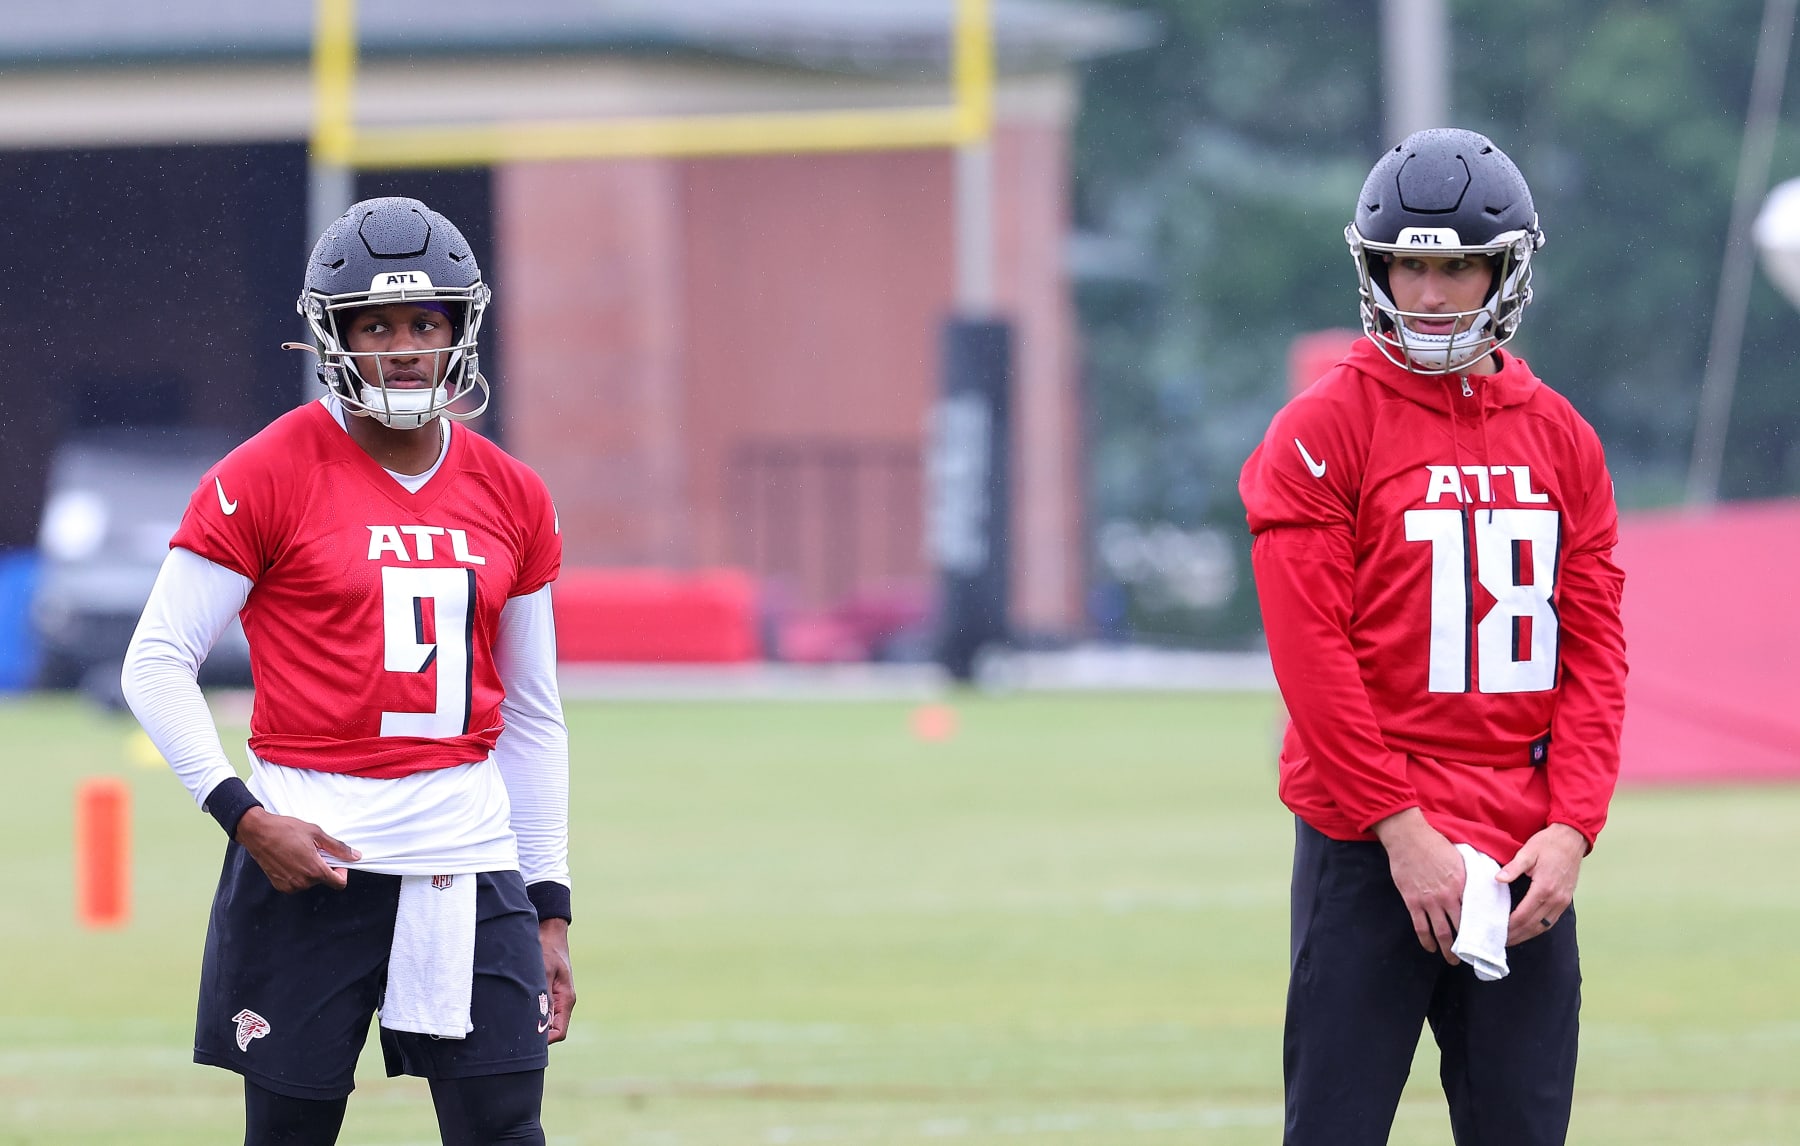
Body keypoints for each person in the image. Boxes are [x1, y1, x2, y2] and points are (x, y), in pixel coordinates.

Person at [122, 196, 573, 1146]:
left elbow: (533, 716)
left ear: (461, 330)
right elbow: (156, 663)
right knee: (290, 1135)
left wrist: (549, 904)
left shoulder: (514, 492)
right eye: (377, 326)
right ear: (335, 337)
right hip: (312, 850)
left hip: (467, 852)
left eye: (425, 323)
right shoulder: (267, 472)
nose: (405, 348)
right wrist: (246, 818)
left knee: (507, 1131)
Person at [1238, 129, 1627, 1145]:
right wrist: (1399, 831)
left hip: (1519, 845)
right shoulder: (1322, 430)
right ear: (1378, 268)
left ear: (1506, 267)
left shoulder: (1563, 439)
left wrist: (1572, 828)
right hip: (1369, 845)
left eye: (1458, 264)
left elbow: (1593, 654)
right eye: (1412, 262)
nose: (1433, 291)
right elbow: (1311, 657)